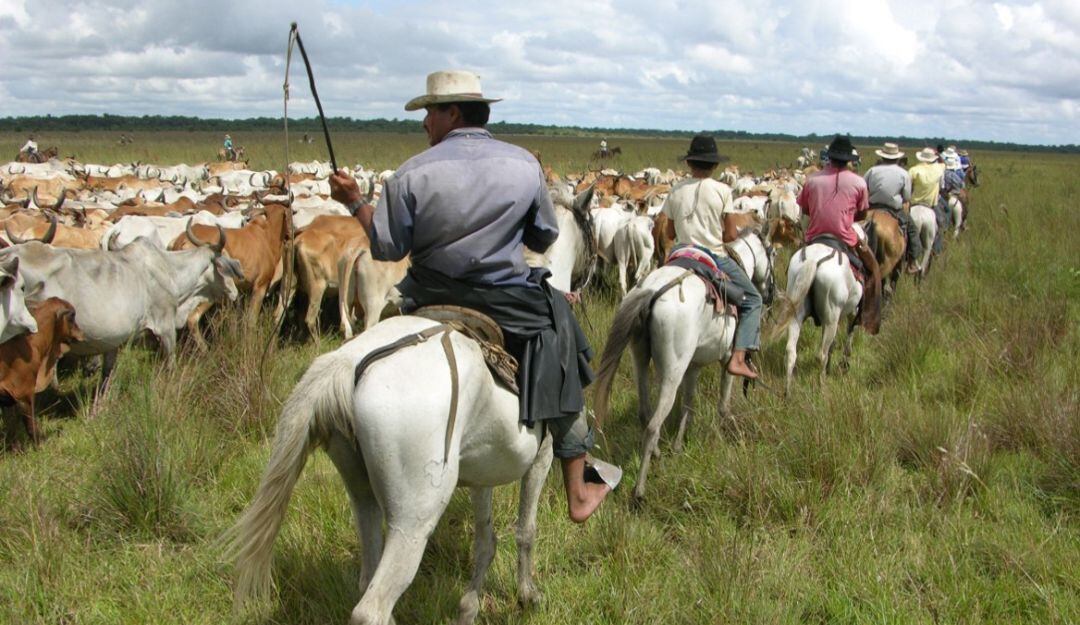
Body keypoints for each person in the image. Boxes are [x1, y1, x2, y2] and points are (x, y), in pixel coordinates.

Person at [328, 70, 617, 524]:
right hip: (505, 300)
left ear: (452, 113)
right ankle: (579, 486)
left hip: (426, 298)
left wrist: (354, 202)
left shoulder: (409, 172)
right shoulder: (523, 165)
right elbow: (544, 237)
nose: (424, 123)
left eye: (428, 112)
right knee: (564, 340)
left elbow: (387, 248)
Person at [660, 134, 762, 379]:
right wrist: (730, 233)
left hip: (680, 254)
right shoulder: (723, 190)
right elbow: (728, 235)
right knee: (754, 299)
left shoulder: (676, 189)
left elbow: (670, 232)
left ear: (689, 163)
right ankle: (737, 359)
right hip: (713, 257)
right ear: (715, 165)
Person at [796, 135, 882, 334]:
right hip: (845, 238)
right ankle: (867, 318)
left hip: (814, 238)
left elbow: (806, 209)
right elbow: (862, 213)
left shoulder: (811, 180)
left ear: (829, 156)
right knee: (874, 270)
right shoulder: (859, 183)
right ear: (849, 159)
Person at [864, 142, 921, 273]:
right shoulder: (903, 173)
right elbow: (906, 197)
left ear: (882, 156)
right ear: (897, 158)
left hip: (872, 208)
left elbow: (864, 189)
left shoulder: (872, 170)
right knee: (912, 230)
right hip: (894, 209)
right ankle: (912, 262)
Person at [909, 147, 947, 253]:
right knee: (940, 224)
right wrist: (938, 154)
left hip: (913, 204)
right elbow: (944, 164)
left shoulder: (914, 170)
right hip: (931, 206)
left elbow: (907, 188)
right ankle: (936, 251)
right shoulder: (939, 169)